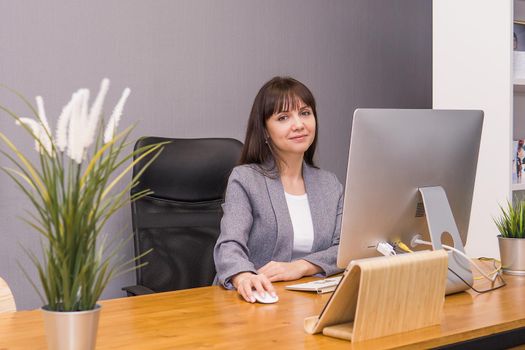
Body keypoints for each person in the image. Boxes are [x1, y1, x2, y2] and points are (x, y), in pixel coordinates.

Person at [213, 76, 344, 303]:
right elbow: (229, 244)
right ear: (265, 131)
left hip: (312, 301)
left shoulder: (329, 184)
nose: (299, 124)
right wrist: (243, 275)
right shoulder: (246, 180)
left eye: (305, 113)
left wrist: (301, 267)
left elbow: (345, 249)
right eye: (283, 117)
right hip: (253, 301)